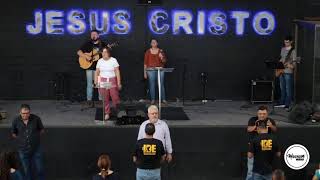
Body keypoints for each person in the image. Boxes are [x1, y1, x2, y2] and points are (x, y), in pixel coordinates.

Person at [11, 104, 45, 180]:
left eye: (27, 113)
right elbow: (14, 134)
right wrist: (22, 139)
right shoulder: (16, 120)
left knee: (40, 169)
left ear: (29, 113)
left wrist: (34, 137)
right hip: (23, 150)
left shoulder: (36, 119)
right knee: (26, 170)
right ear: (20, 112)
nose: (25, 115)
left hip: (36, 149)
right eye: (23, 113)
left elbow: (42, 130)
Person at [246, 105, 277, 180]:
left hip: (266, 148)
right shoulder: (253, 120)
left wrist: (271, 126)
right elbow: (248, 129)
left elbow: (275, 130)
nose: (262, 115)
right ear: (257, 113)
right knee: (250, 170)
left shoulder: (270, 120)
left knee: (267, 170)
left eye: (264, 114)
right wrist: (255, 126)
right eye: (260, 114)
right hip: (254, 147)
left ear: (267, 114)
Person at [77, 29, 107, 107]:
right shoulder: (88, 43)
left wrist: (105, 53)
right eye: (92, 34)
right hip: (89, 67)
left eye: (95, 34)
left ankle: (101, 100)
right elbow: (79, 52)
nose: (93, 36)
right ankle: (89, 100)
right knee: (89, 84)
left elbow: (106, 56)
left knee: (99, 84)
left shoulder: (102, 44)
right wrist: (86, 56)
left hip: (99, 68)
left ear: (98, 35)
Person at [94, 47, 121, 120]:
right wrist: (96, 81)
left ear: (109, 53)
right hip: (103, 80)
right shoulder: (100, 61)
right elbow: (97, 72)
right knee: (105, 98)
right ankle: (107, 113)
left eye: (105, 52)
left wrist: (119, 82)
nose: (104, 53)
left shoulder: (113, 60)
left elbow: (117, 72)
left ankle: (118, 112)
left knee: (115, 97)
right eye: (102, 52)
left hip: (112, 80)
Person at [274, 36, 297, 111]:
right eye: (285, 42)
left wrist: (290, 65)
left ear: (291, 42)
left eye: (287, 42)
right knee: (282, 87)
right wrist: (278, 66)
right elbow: (281, 58)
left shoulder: (293, 51)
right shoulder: (283, 49)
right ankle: (282, 102)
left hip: (288, 71)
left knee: (288, 89)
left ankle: (287, 104)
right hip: (281, 70)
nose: (286, 43)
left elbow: (294, 63)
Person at [144, 39, 167, 105]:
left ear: (157, 43)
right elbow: (145, 63)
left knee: (161, 84)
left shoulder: (161, 51)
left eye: (155, 42)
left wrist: (161, 57)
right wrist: (145, 72)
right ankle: (153, 99)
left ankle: (163, 99)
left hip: (160, 69)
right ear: (151, 44)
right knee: (152, 85)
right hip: (150, 70)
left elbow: (164, 61)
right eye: (152, 42)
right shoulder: (148, 51)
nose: (153, 43)